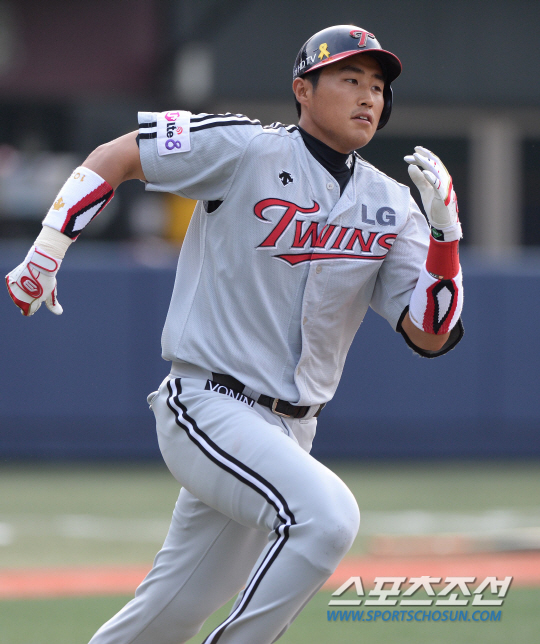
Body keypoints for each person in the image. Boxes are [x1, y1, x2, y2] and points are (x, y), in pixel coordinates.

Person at [6, 24, 463, 644]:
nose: (369, 96)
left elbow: (430, 334)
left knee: (166, 617)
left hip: (291, 430)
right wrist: (47, 250)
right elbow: (121, 154)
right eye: (350, 78)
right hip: (209, 403)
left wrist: (444, 239)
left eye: (378, 87)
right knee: (327, 518)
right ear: (303, 89)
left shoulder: (395, 204)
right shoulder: (246, 147)